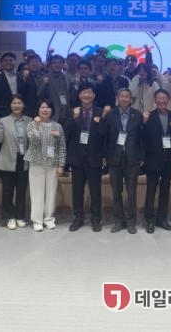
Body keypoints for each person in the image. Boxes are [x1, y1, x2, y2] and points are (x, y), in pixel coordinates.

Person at [65, 84, 107, 233]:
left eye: (89, 92)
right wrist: (74, 118)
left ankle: (96, 220)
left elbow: (104, 135)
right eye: (84, 92)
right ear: (79, 95)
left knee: (95, 191)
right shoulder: (72, 112)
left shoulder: (100, 112)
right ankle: (78, 218)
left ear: (93, 95)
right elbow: (66, 133)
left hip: (94, 157)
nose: (87, 95)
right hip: (77, 157)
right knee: (77, 191)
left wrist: (104, 155)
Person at [104, 88, 144, 234]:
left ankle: (131, 222)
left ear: (130, 99)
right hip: (114, 158)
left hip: (132, 159)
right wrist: (105, 156)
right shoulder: (111, 115)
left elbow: (142, 138)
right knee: (116, 191)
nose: (124, 99)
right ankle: (118, 221)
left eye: (127, 96)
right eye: (122, 96)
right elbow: (106, 137)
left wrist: (142, 157)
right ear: (117, 98)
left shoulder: (137, 115)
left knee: (132, 192)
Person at [142, 89, 171, 233]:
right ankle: (149, 219)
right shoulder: (148, 116)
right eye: (159, 98)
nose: (162, 101)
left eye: (164, 98)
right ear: (155, 100)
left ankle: (162, 219)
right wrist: (144, 123)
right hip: (152, 160)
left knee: (165, 190)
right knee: (151, 190)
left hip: (168, 160)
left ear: (168, 99)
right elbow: (143, 138)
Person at [25, 99, 66, 232]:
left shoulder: (57, 126)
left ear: (52, 110)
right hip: (36, 163)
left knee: (51, 192)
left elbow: (61, 146)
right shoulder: (31, 125)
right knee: (36, 193)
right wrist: (37, 126)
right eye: (42, 107)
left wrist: (61, 164)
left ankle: (49, 219)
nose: (45, 110)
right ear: (38, 110)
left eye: (48, 107)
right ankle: (37, 220)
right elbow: (34, 142)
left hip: (52, 163)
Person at [0, 94, 32, 230]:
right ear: (10, 105)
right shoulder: (3, 121)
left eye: (19, 103)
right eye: (14, 103)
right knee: (8, 191)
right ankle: (10, 217)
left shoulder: (30, 120)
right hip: (8, 160)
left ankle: (20, 216)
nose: (16, 105)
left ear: (23, 105)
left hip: (24, 160)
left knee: (21, 190)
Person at [38, 54, 70, 125]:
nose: (57, 65)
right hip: (52, 115)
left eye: (59, 62)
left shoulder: (66, 77)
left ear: (63, 65)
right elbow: (39, 96)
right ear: (50, 65)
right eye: (54, 63)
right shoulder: (45, 77)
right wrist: (44, 85)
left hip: (66, 115)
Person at [0, 52, 25, 119]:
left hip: (19, 111)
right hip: (2, 112)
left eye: (11, 60)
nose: (8, 62)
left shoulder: (21, 76)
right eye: (5, 61)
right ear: (1, 63)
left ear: (15, 62)